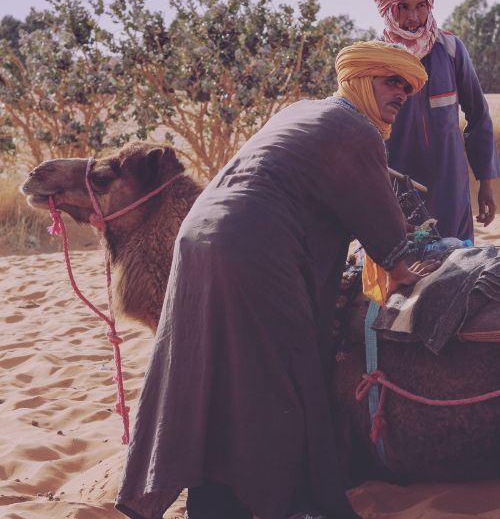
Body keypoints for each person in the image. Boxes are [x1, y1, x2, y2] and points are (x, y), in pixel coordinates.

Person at [115, 41, 431, 519]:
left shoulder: (303, 112)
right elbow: (390, 246)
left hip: (198, 237)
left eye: (407, 89)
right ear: (360, 80)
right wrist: (420, 266)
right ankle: (281, 503)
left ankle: (210, 501)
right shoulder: (356, 131)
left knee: (209, 372)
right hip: (253, 245)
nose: (401, 94)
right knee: (281, 375)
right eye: (392, 81)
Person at [371, 0, 500, 241]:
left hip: (449, 188)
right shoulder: (375, 58)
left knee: (457, 267)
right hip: (396, 189)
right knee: (404, 270)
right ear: (388, 10)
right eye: (403, 7)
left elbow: (478, 116)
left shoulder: (451, 50)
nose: (413, 16)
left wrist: (486, 183)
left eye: (420, 5)